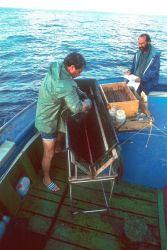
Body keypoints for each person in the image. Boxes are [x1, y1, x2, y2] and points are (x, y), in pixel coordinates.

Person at [35, 52, 92, 192]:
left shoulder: (58, 66)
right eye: (79, 71)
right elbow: (77, 108)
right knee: (48, 154)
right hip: (47, 120)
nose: (80, 74)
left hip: (57, 113)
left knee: (61, 132)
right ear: (72, 67)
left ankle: (58, 147)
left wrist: (79, 91)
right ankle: (46, 178)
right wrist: (88, 102)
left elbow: (71, 84)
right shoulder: (64, 85)